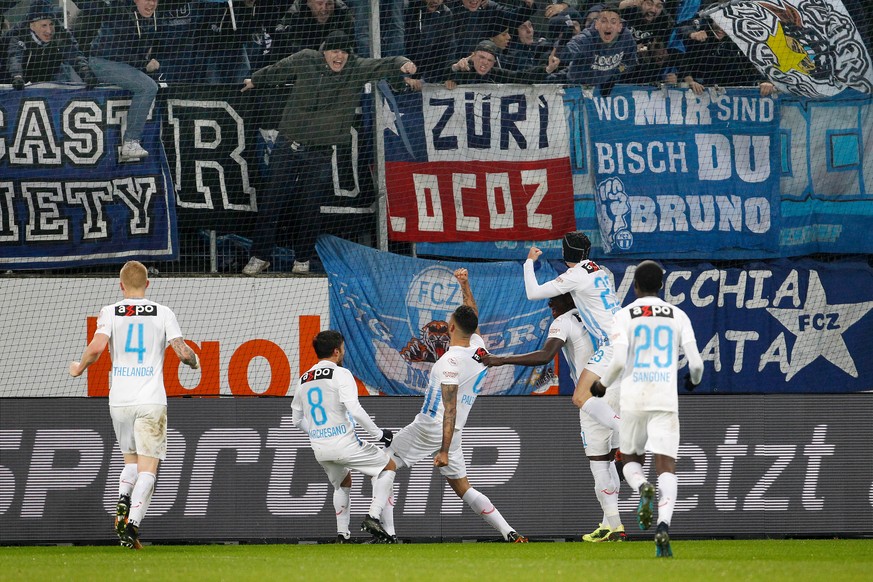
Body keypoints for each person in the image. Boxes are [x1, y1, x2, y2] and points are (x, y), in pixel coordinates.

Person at [239, 30, 416, 275]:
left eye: (344, 51)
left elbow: (385, 63)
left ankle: (302, 259)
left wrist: (403, 63)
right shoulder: (306, 58)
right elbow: (279, 68)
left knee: (309, 207)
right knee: (272, 202)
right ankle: (260, 256)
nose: (340, 56)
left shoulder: (357, 68)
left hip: (319, 152)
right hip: (287, 145)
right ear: (325, 52)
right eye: (335, 50)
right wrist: (255, 79)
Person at [375, 268, 529, 543]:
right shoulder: (480, 348)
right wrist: (465, 285)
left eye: (448, 320)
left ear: (451, 328)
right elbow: (472, 314)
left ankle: (387, 533)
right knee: (464, 488)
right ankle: (509, 532)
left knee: (385, 463)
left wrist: (443, 450)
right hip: (454, 432)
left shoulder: (449, 361)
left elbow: (449, 407)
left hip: (433, 425)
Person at [68, 260, 200, 549]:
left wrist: (79, 368)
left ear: (121, 285)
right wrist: (193, 362)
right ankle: (132, 524)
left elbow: (97, 348)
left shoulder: (110, 311)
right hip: (150, 399)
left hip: (120, 400)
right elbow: (182, 351)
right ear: (148, 284)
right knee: (148, 468)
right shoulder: (163, 312)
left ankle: (123, 506)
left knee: (130, 462)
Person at [483, 293, 626, 542]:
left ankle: (616, 528)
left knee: (599, 463)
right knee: (613, 462)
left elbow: (546, 356)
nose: (550, 304)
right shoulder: (602, 316)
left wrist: (501, 359)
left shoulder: (564, 320)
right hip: (619, 388)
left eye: (554, 299)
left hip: (592, 393)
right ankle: (606, 523)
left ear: (570, 298)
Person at [592, 260, 704, 558]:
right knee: (666, 466)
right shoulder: (678, 315)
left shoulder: (624, 315)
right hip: (665, 399)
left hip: (634, 398)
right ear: (662, 285)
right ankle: (664, 526)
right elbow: (695, 364)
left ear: (635, 286)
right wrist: (692, 382)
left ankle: (642, 487)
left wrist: (601, 385)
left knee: (630, 461)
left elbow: (617, 361)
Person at [521, 231, 624, 477]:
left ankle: (626, 432)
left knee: (580, 397)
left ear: (566, 253)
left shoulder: (575, 275)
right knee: (613, 403)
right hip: (628, 340)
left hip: (614, 344)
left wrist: (529, 262)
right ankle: (621, 448)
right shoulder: (600, 271)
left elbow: (532, 293)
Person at [290, 330, 397, 543]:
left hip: (321, 449)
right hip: (345, 444)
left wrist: (318, 433)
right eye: (343, 349)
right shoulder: (341, 374)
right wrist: (378, 434)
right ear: (336, 351)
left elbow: (296, 420)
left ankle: (342, 535)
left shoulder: (304, 378)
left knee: (343, 483)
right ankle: (373, 517)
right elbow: (355, 410)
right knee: (389, 467)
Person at [89, 0, 162, 162]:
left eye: (155, 0)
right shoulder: (120, 13)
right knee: (148, 87)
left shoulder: (153, 18)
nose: (151, 4)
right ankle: (130, 142)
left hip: (124, 64)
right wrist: (144, 64)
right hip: (101, 62)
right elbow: (117, 52)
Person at [6, 0, 97, 89]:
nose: (49, 31)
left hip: (50, 78)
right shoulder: (19, 36)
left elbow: (73, 54)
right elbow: (15, 58)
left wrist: (86, 73)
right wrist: (17, 76)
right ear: (32, 26)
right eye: (44, 25)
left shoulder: (60, 35)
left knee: (65, 72)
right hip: (20, 80)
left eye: (51, 24)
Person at [558, 1, 638, 93]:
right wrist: (562, 46)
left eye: (613, 22)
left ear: (619, 26)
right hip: (575, 87)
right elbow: (569, 51)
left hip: (604, 90)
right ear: (596, 24)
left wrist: (614, 74)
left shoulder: (626, 37)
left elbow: (630, 63)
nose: (608, 26)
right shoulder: (587, 37)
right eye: (604, 21)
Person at [443, 39, 560, 88]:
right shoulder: (462, 70)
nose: (484, 63)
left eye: (489, 60)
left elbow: (521, 76)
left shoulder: (497, 75)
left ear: (494, 63)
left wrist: (547, 69)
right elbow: (437, 74)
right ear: (473, 56)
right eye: (482, 57)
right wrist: (454, 69)